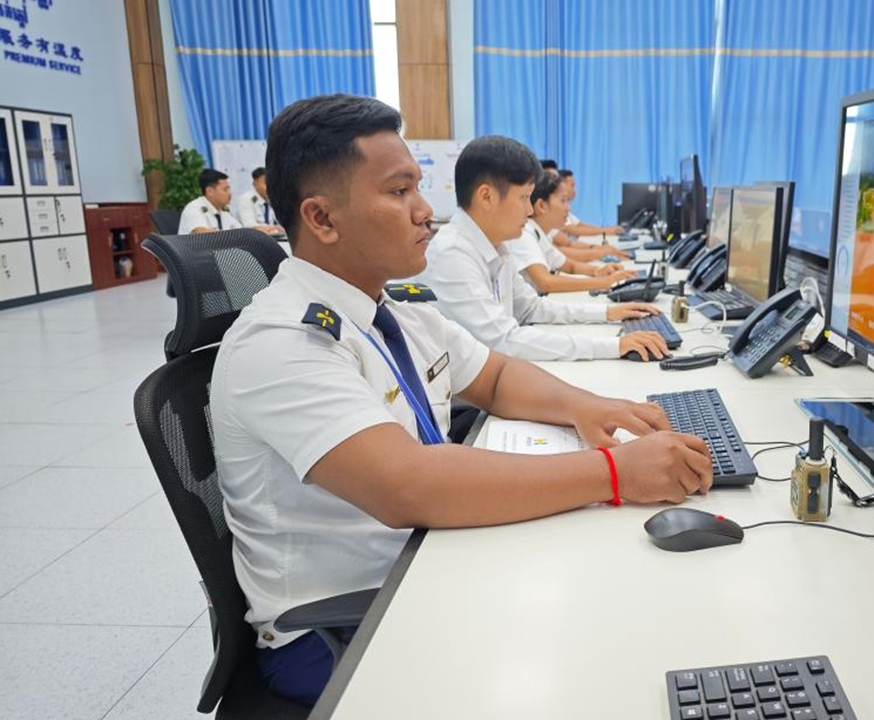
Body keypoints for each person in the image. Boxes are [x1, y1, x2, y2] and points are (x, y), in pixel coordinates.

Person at [212, 95, 712, 705]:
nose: (426, 212)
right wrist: (614, 472)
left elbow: (497, 376)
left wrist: (593, 407)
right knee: (586, 656)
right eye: (399, 193)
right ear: (322, 219)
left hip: (428, 559)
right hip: (344, 624)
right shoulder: (283, 343)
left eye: (418, 189)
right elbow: (409, 487)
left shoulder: (386, 307)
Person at [417, 135, 671, 361]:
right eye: (524, 197)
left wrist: (607, 312)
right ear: (486, 197)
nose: (529, 211)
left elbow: (531, 307)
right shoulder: (453, 254)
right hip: (471, 408)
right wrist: (612, 346)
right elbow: (504, 341)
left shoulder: (495, 245)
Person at [507, 171, 637, 294]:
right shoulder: (525, 234)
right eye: (563, 200)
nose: (568, 208)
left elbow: (570, 266)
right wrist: (603, 282)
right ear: (541, 206)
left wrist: (598, 271)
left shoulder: (540, 234)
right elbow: (546, 283)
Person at [557, 169, 623, 238]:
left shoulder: (567, 210)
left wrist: (608, 229)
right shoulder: (558, 210)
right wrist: (604, 231)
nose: (575, 189)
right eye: (572, 185)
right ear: (562, 186)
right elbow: (574, 230)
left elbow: (579, 225)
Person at [178, 169, 241, 233]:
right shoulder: (194, 208)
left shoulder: (224, 212)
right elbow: (201, 236)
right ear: (210, 191)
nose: (230, 193)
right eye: (225, 189)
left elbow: (243, 233)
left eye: (229, 189)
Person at [235, 166, 285, 234]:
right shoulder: (246, 199)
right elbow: (250, 227)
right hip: (251, 240)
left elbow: (278, 221)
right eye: (266, 183)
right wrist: (275, 228)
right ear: (255, 184)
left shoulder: (271, 200)